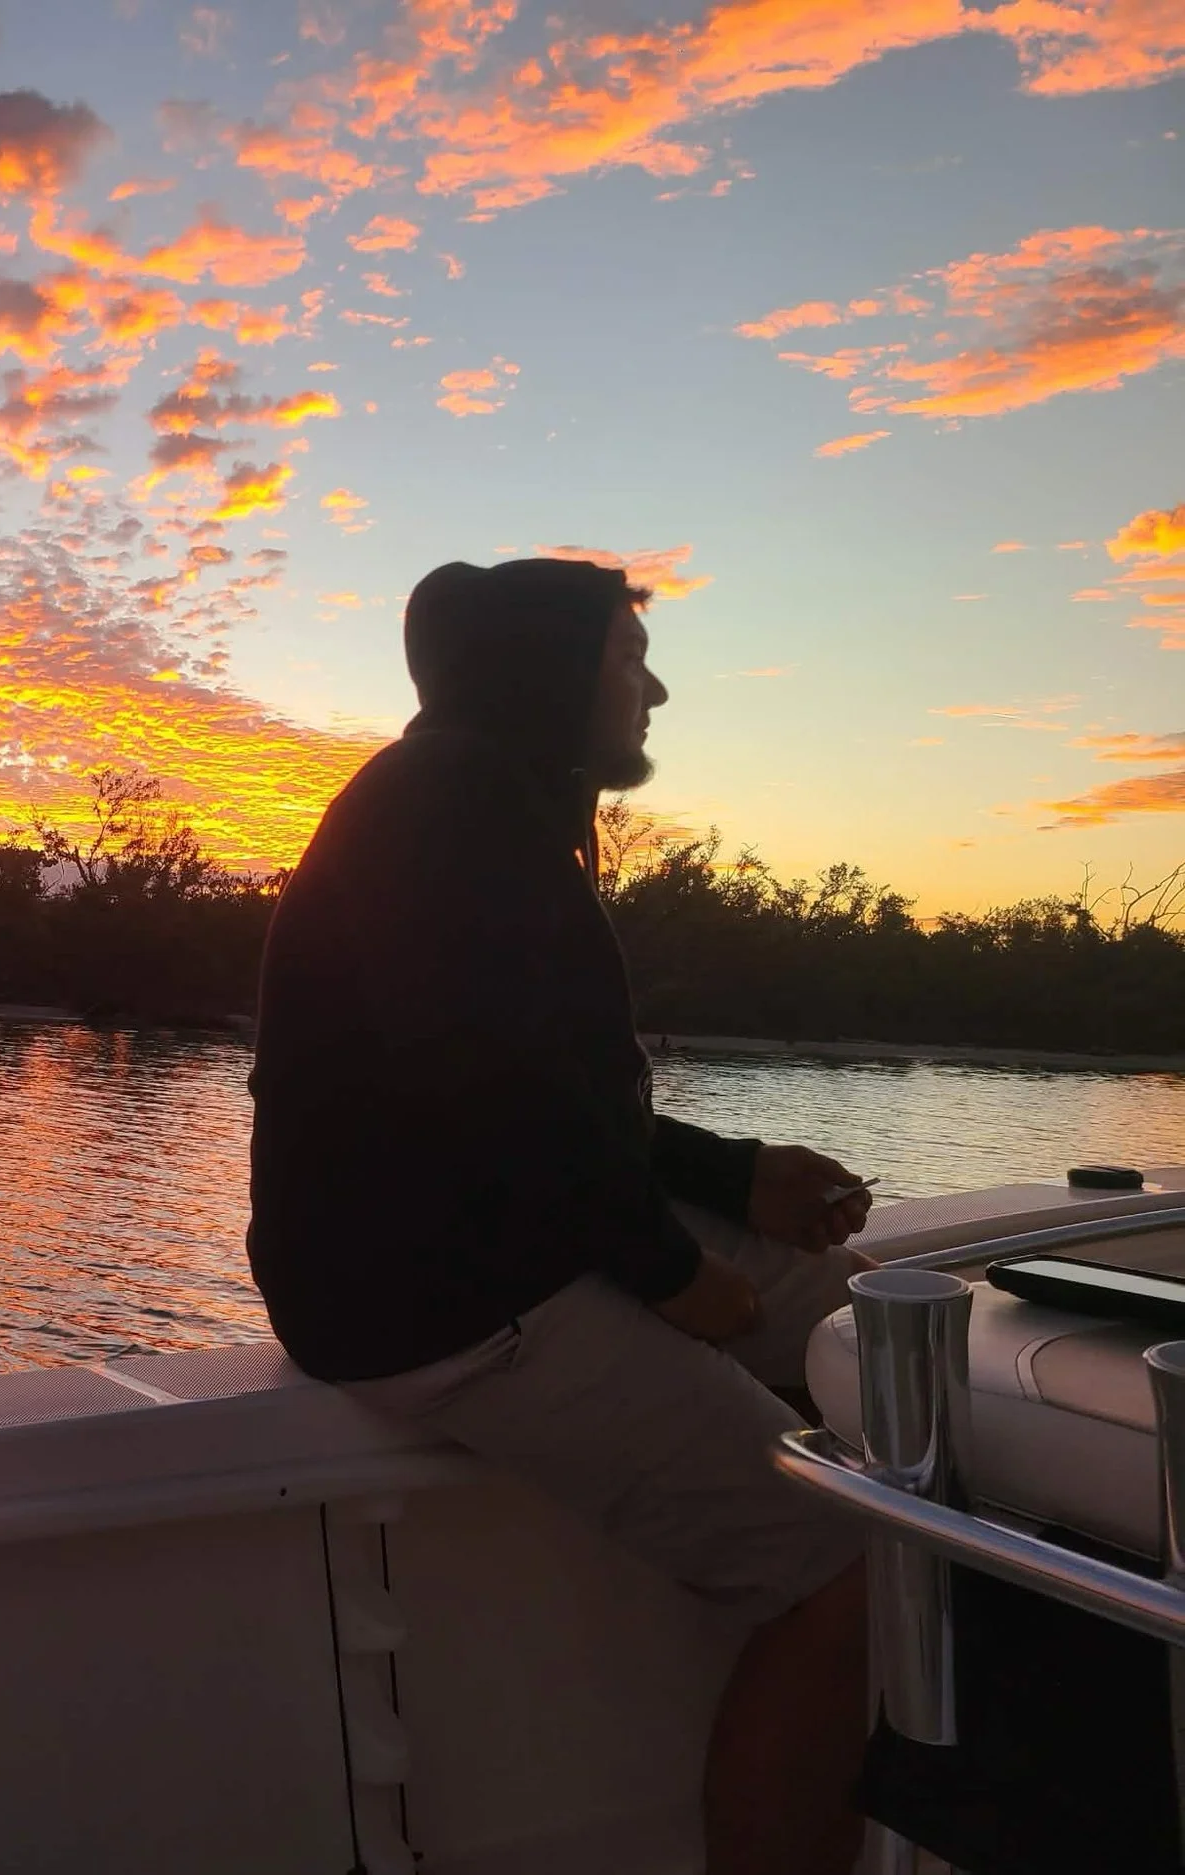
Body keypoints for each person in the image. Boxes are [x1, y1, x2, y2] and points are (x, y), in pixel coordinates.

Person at [248, 556, 874, 1875]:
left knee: (861, 1315)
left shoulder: (482, 798)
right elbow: (489, 1111)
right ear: (549, 674)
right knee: (843, 1566)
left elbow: (544, 1095)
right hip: (436, 1300)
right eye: (625, 658)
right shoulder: (450, 815)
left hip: (495, 1239)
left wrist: (738, 1171)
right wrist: (667, 1275)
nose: (653, 687)